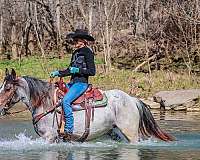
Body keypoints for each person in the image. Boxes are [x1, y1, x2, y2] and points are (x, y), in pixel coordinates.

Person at [50, 29, 96, 140]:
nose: (74, 42)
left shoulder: (88, 52)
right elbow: (70, 70)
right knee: (58, 98)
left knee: (66, 101)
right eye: (74, 40)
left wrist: (78, 70)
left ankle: (69, 130)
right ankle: (60, 126)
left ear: (83, 41)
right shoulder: (75, 53)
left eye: (76, 40)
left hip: (81, 84)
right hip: (72, 83)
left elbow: (92, 71)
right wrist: (59, 73)